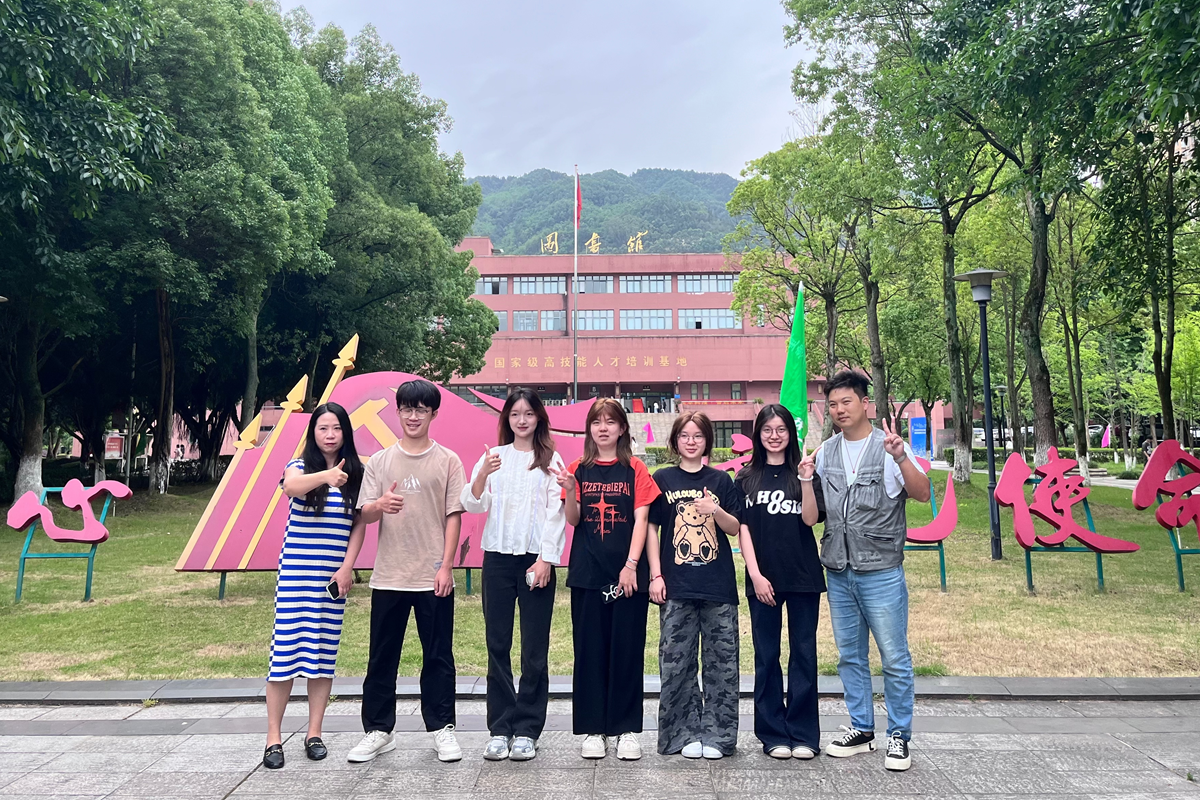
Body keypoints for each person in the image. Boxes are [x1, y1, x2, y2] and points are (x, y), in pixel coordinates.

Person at [814, 370, 929, 772]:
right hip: (838, 570)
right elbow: (816, 510)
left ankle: (899, 736)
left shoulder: (889, 446)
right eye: (832, 404)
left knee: (894, 657)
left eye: (846, 402)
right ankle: (862, 728)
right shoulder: (825, 452)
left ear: (866, 404)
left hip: (880, 571)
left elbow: (922, 493)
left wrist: (901, 457)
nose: (839, 410)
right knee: (850, 656)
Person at [348, 379, 466, 764]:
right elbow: (365, 513)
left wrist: (446, 565)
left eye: (421, 409)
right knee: (382, 657)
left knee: (438, 656)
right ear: (397, 412)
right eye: (407, 409)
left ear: (433, 413)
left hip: (433, 576)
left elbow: (454, 516)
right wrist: (380, 504)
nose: (413, 416)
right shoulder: (381, 461)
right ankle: (379, 730)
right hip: (390, 575)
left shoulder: (448, 460)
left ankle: (442, 728)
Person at [461, 388, 566, 762]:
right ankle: (500, 727)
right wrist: (481, 475)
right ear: (506, 418)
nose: (522, 420)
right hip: (498, 560)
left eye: (529, 414)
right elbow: (473, 503)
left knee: (534, 648)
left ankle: (528, 729)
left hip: (535, 561)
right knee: (497, 644)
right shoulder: (494, 457)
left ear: (539, 418)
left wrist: (546, 559)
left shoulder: (550, 460)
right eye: (515, 414)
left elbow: (556, 514)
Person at [554, 398, 661, 761]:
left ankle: (626, 729)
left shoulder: (635, 469)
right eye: (597, 422)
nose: (603, 428)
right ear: (589, 429)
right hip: (588, 574)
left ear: (622, 428)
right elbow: (573, 520)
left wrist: (631, 566)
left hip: (628, 577)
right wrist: (571, 490)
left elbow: (642, 520)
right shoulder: (577, 470)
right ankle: (593, 729)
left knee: (627, 651)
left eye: (610, 422)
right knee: (589, 653)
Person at [263, 402, 367, 770]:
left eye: (336, 428)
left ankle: (314, 733)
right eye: (323, 428)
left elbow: (359, 522)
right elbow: (290, 488)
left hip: (332, 579)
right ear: (313, 433)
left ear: (345, 432)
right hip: (296, 575)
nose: (330, 435)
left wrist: (347, 568)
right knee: (284, 656)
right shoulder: (299, 466)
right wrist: (326, 476)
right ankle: (273, 738)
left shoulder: (356, 473)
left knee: (323, 656)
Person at [645, 411, 742, 760]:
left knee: (722, 665)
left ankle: (719, 737)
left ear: (707, 442)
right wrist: (656, 575)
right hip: (676, 587)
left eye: (698, 436)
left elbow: (734, 528)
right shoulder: (662, 478)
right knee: (676, 665)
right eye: (684, 435)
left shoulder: (721, 480)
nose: (691, 441)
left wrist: (714, 509)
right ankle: (680, 735)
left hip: (717, 587)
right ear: (675, 441)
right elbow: (652, 529)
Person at [735, 404, 825, 761]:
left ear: (791, 433)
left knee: (803, 654)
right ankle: (772, 733)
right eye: (767, 430)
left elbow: (811, 519)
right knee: (767, 656)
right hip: (763, 580)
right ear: (758, 434)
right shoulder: (745, 477)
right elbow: (742, 530)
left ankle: (803, 733)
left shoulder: (804, 473)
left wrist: (805, 480)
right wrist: (755, 575)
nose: (774, 436)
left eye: (781, 429)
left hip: (803, 576)